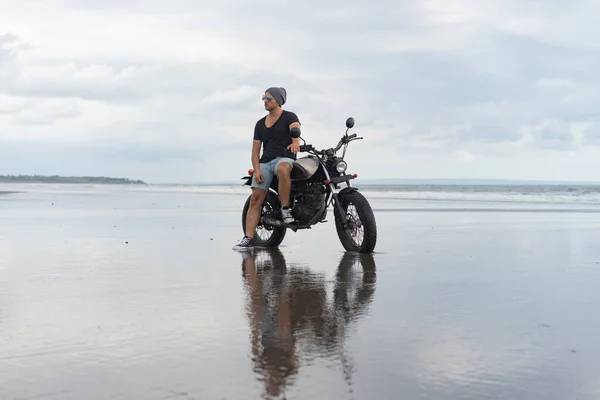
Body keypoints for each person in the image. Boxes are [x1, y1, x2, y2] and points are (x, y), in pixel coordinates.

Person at [233, 87, 302, 250]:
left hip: (284, 157)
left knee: (284, 168)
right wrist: (256, 169)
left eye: (268, 98)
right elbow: (256, 149)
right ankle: (248, 238)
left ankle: (286, 209)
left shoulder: (289, 116)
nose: (265, 100)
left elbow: (296, 131)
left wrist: (296, 142)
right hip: (265, 162)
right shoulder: (260, 124)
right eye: (264, 97)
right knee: (255, 199)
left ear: (278, 100)